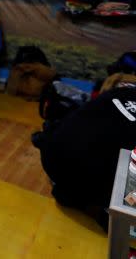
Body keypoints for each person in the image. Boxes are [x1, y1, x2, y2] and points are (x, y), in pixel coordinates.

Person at [34, 51, 136, 230]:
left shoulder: (120, 89)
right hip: (92, 180)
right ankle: (106, 212)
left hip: (52, 155)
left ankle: (70, 191)